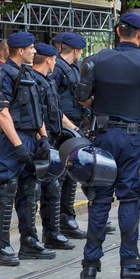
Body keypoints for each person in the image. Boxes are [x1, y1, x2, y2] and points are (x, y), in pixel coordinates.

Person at [76, 12, 140, 279]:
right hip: (133, 139)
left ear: (118, 32)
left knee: (100, 199)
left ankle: (90, 266)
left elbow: (83, 99)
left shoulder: (95, 60)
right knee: (129, 199)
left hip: (103, 136)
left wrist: (105, 107)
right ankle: (129, 264)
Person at [0, 31, 56, 266]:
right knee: (7, 190)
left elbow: (37, 111)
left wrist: (43, 137)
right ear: (20, 50)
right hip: (12, 140)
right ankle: (2, 245)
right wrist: (17, 145)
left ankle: (29, 241)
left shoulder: (27, 74)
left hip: (30, 139)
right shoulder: (1, 74)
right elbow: (2, 113)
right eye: (31, 48)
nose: (35, 51)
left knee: (29, 191)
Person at [32, 43, 79, 250]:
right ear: (49, 59)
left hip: (51, 138)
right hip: (39, 141)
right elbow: (34, 115)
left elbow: (55, 111)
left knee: (53, 187)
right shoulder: (33, 81)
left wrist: (73, 128)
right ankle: (33, 238)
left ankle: (52, 233)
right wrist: (42, 137)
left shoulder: (47, 81)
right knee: (32, 191)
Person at [53, 32, 88, 239]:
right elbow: (53, 102)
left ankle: (67, 216)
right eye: (80, 50)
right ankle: (61, 220)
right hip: (64, 129)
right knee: (61, 176)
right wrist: (69, 125)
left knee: (71, 175)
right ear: (75, 50)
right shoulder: (57, 69)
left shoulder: (73, 67)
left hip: (74, 127)